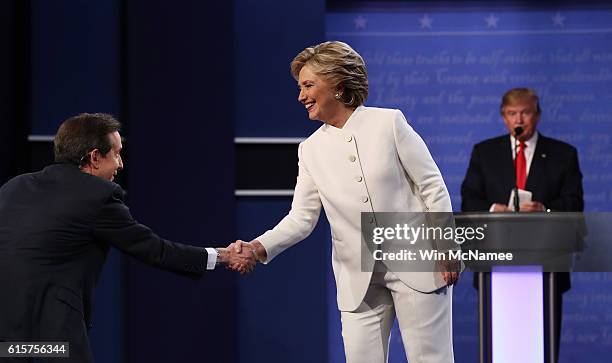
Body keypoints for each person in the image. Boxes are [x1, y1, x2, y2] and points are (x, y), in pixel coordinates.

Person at [231, 41, 458, 363]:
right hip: (356, 273)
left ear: (337, 86)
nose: (301, 96)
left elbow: (432, 186)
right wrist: (258, 247)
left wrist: (446, 249)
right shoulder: (309, 150)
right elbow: (301, 218)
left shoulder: (388, 123)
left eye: (309, 85)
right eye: (300, 87)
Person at [0, 113, 255, 363]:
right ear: (95, 157)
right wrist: (224, 255)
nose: (120, 164)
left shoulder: (14, 187)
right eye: (117, 154)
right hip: (53, 338)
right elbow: (156, 250)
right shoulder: (96, 197)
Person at [460, 87, 584, 362]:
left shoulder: (563, 154)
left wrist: (545, 210)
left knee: (542, 344)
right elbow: (469, 200)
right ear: (503, 117)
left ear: (537, 115)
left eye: (526, 112)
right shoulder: (485, 153)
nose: (519, 119)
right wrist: (494, 210)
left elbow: (574, 204)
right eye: (512, 113)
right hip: (496, 260)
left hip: (547, 263)